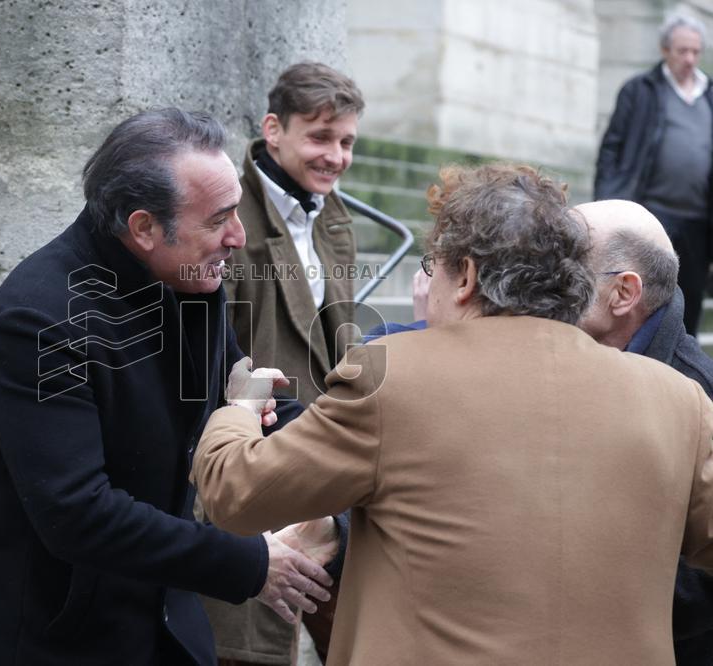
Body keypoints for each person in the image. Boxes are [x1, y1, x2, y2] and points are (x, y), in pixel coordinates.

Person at [193, 164, 713, 664]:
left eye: (430, 267)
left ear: (464, 275)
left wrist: (242, 404)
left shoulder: (392, 373)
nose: (428, 286)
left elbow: (237, 494)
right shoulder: (679, 399)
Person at [0, 108, 339, 666]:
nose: (238, 236)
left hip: (170, 628)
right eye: (219, 219)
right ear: (143, 227)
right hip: (56, 641)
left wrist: (346, 461)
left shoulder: (188, 276)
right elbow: (79, 514)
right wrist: (253, 564)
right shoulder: (38, 317)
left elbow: (251, 395)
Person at [206, 61, 363, 666]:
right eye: (320, 137)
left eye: (346, 141)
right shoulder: (231, 218)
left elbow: (339, 342)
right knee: (244, 650)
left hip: (321, 470)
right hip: (251, 464)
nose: (336, 156)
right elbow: (216, 357)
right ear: (274, 129)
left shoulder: (333, 216)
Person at [576, 199, 713, 665]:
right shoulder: (566, 356)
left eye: (566, 268)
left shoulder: (697, 396)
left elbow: (700, 580)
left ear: (623, 292)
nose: (542, 280)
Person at [595, 14, 713, 334]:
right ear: (665, 50)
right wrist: (608, 204)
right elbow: (612, 150)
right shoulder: (640, 90)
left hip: (699, 224)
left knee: (689, 300)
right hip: (652, 215)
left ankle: (679, 374)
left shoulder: (709, 94)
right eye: (682, 51)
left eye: (695, 51)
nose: (689, 59)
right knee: (645, 300)